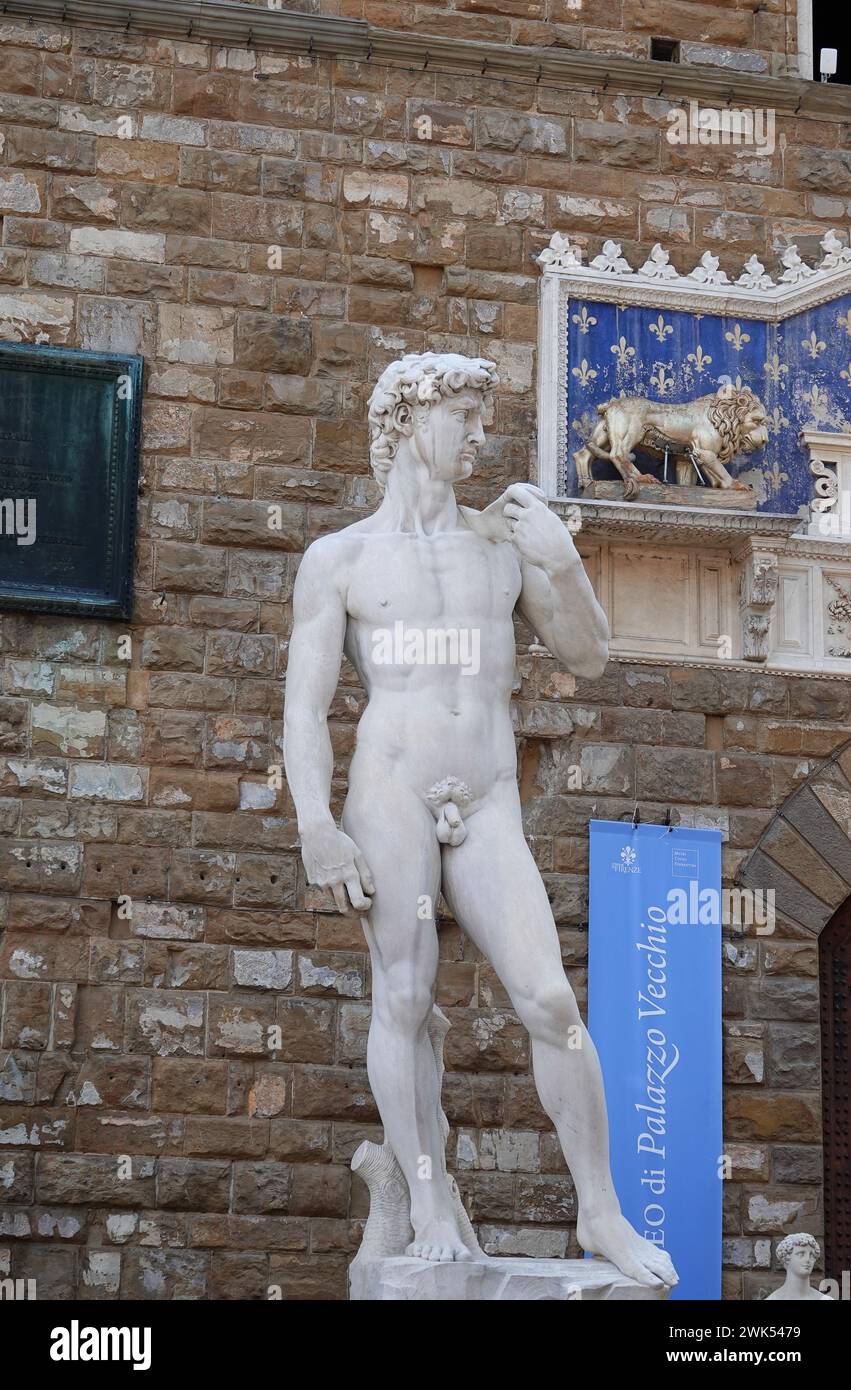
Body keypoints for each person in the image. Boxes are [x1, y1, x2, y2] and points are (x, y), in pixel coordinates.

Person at [283, 352, 677, 1288]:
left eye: (479, 416)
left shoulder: (500, 543)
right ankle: (425, 1196)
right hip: (389, 790)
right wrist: (313, 822)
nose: (477, 434)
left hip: (487, 795)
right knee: (406, 999)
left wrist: (564, 559)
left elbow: (588, 657)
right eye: (461, 414)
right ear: (411, 420)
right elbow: (304, 707)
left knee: (549, 1000)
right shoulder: (340, 559)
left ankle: (602, 1212)